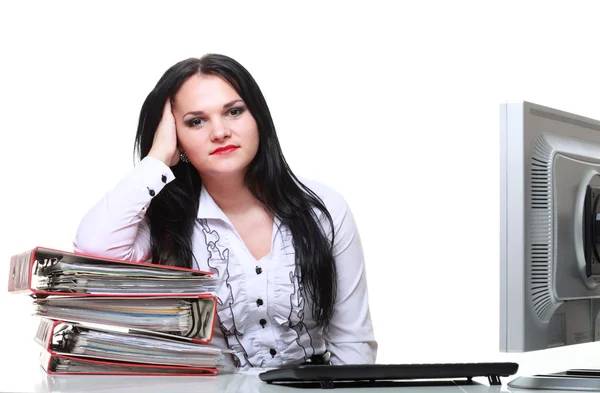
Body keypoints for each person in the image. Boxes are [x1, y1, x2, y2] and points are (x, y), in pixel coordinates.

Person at [73, 53, 377, 368]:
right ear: (175, 135)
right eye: (196, 121)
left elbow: (353, 343)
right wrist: (159, 156)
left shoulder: (323, 208)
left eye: (233, 112)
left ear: (258, 117)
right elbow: (94, 250)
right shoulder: (165, 222)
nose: (219, 132)